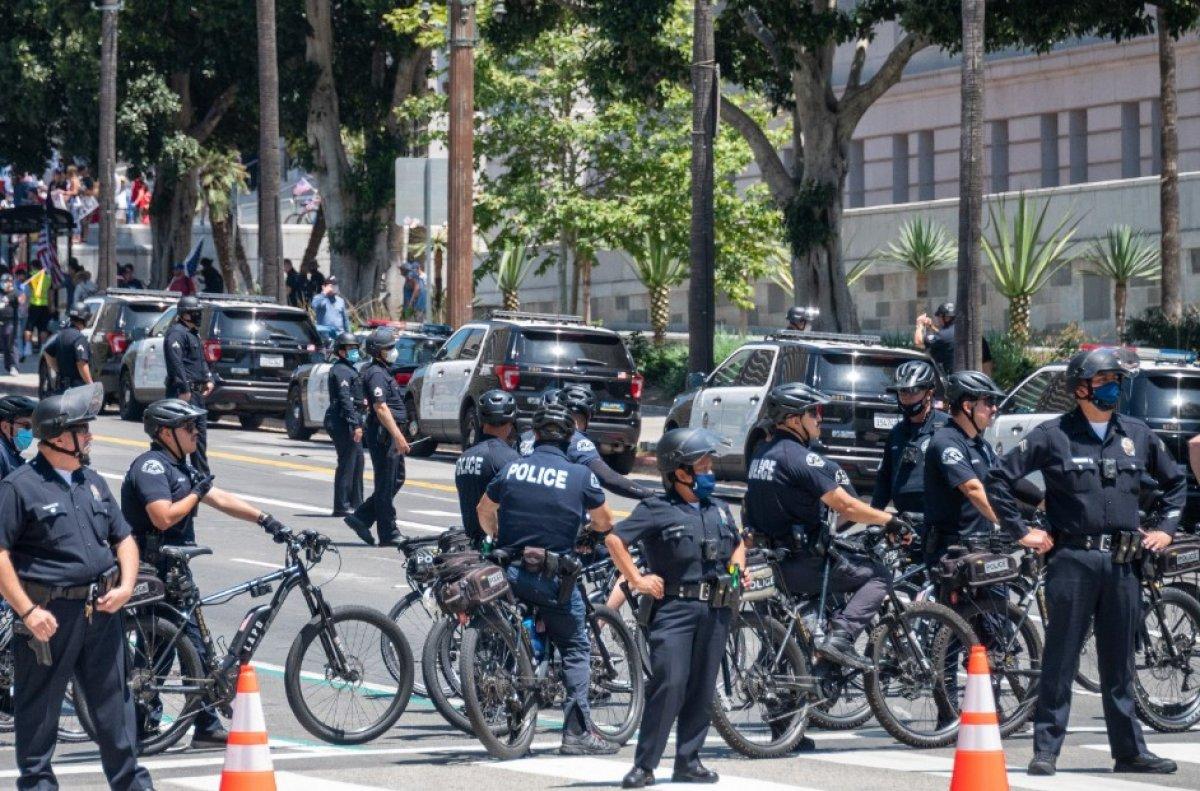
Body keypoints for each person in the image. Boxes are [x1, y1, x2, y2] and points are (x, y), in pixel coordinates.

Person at [988, 348, 1182, 777]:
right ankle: (1046, 751)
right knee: (1061, 656)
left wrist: (1166, 528)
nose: (1115, 387)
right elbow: (998, 477)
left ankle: (1129, 750)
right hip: (1072, 559)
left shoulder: (1137, 432)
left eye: (1117, 379)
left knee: (1119, 661)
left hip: (1122, 561)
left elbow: (1176, 483)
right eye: (1106, 379)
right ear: (1081, 387)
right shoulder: (1052, 434)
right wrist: (1022, 531)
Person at [0, 384, 154, 790]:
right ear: (57, 436)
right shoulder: (20, 487)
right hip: (50, 619)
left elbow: (124, 539)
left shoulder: (94, 482)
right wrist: (28, 612)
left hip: (102, 613)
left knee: (116, 718)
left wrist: (125, 587)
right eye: (82, 428)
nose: (89, 436)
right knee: (38, 723)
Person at [121, 398, 289, 748]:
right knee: (169, 650)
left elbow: (220, 498)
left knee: (172, 649)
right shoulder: (151, 467)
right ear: (166, 432)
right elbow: (163, 516)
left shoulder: (179, 466)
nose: (196, 432)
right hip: (156, 568)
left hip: (175, 569)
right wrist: (196, 494)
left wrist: (266, 520)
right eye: (188, 427)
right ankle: (188, 725)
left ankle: (165, 723)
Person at [476, 401, 618, 756]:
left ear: (534, 435)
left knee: (514, 628)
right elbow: (605, 521)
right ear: (569, 437)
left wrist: (496, 535)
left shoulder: (512, 469)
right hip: (555, 578)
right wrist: (586, 530)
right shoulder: (580, 475)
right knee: (575, 647)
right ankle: (576, 734)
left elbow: (484, 510)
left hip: (510, 571)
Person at [607, 428, 743, 788]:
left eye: (708, 462)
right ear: (679, 471)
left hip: (715, 609)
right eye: (701, 464)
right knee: (671, 682)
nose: (709, 469)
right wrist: (637, 580)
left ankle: (688, 761)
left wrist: (735, 571)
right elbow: (615, 539)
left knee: (701, 687)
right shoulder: (657, 508)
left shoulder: (720, 508)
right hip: (674, 611)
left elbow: (738, 546)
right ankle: (645, 765)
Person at [743, 382, 910, 670]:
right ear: (794, 419)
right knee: (879, 575)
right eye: (815, 412)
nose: (820, 418)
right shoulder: (799, 458)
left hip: (767, 560)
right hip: (801, 562)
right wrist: (891, 521)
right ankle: (841, 637)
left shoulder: (761, 454)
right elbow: (847, 507)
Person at [922, 370, 1042, 562]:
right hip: (952, 550)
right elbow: (973, 489)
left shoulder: (980, 445)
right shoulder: (945, 442)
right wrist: (1018, 530)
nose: (995, 408)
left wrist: (1046, 503)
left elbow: (1007, 478)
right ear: (968, 406)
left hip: (979, 545)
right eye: (989, 402)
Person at [519, 385, 653, 500]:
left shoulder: (524, 438)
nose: (575, 425)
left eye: (579, 420)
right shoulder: (577, 441)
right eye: (573, 418)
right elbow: (609, 479)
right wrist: (649, 494)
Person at [344, 328, 411, 546]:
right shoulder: (375, 373)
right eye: (388, 348)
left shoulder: (383, 371)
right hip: (384, 435)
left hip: (389, 433)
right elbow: (381, 407)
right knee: (386, 482)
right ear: (377, 351)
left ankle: (362, 516)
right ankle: (388, 532)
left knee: (395, 479)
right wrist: (398, 436)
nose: (393, 351)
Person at [870, 360, 948, 519]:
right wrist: (873, 520)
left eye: (912, 391)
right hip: (905, 522)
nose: (906, 398)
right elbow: (884, 482)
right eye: (902, 392)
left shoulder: (947, 428)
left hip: (939, 522)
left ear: (929, 392)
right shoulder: (896, 433)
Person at [455, 390, 520, 548]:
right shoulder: (511, 459)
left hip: (472, 543)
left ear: (481, 420)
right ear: (511, 421)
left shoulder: (464, 457)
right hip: (497, 545)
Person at [164, 295, 213, 474]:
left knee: (198, 441)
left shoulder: (192, 334)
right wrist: (183, 389)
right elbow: (175, 362)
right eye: (194, 313)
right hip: (184, 395)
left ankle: (201, 481)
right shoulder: (176, 333)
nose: (198, 316)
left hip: (197, 396)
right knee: (180, 441)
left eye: (198, 313)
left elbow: (200, 361)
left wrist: (208, 378)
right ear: (184, 315)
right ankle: (178, 480)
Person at [326, 332, 365, 516]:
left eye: (355, 348)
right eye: (350, 348)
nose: (354, 351)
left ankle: (357, 503)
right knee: (347, 462)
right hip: (343, 421)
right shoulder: (341, 370)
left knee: (357, 462)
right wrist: (354, 423)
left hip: (351, 419)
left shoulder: (350, 369)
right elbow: (344, 398)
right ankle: (342, 505)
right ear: (340, 351)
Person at [914, 302, 992, 376]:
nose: (938, 321)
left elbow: (918, 342)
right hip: (974, 384)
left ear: (946, 318)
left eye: (939, 317)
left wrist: (919, 324)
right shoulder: (975, 336)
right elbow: (987, 363)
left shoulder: (942, 336)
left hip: (951, 384)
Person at [44, 302, 94, 394]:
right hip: (76, 391)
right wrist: (90, 385)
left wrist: (58, 370)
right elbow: (81, 363)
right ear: (84, 319)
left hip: (61, 388)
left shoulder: (61, 335)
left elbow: (47, 352)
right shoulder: (79, 338)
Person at [0, 395, 37, 478]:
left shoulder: (11, 452)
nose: (31, 432)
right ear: (5, 427)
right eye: (26, 426)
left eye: (33, 427)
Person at [311, 276, 350, 341]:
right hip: (325, 338)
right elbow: (314, 305)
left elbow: (345, 320)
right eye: (331, 285)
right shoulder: (319, 298)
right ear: (324, 286)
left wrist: (348, 335)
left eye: (335, 285)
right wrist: (324, 293)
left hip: (340, 336)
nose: (334, 287)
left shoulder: (340, 300)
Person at [25, 260, 52, 352]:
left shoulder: (30, 275)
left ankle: (28, 348)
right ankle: (43, 347)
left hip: (34, 304)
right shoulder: (47, 277)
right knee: (43, 328)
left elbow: (27, 289)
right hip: (44, 305)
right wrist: (51, 305)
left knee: (29, 327)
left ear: (33, 266)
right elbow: (50, 293)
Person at [0, 273, 20, 375]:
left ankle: (14, 366)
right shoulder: (1, 293)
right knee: (4, 346)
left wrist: (9, 298)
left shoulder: (14, 292)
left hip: (11, 322)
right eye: (4, 282)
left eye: (7, 282)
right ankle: (7, 366)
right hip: (1, 322)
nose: (5, 284)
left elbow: (20, 298)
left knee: (11, 344)